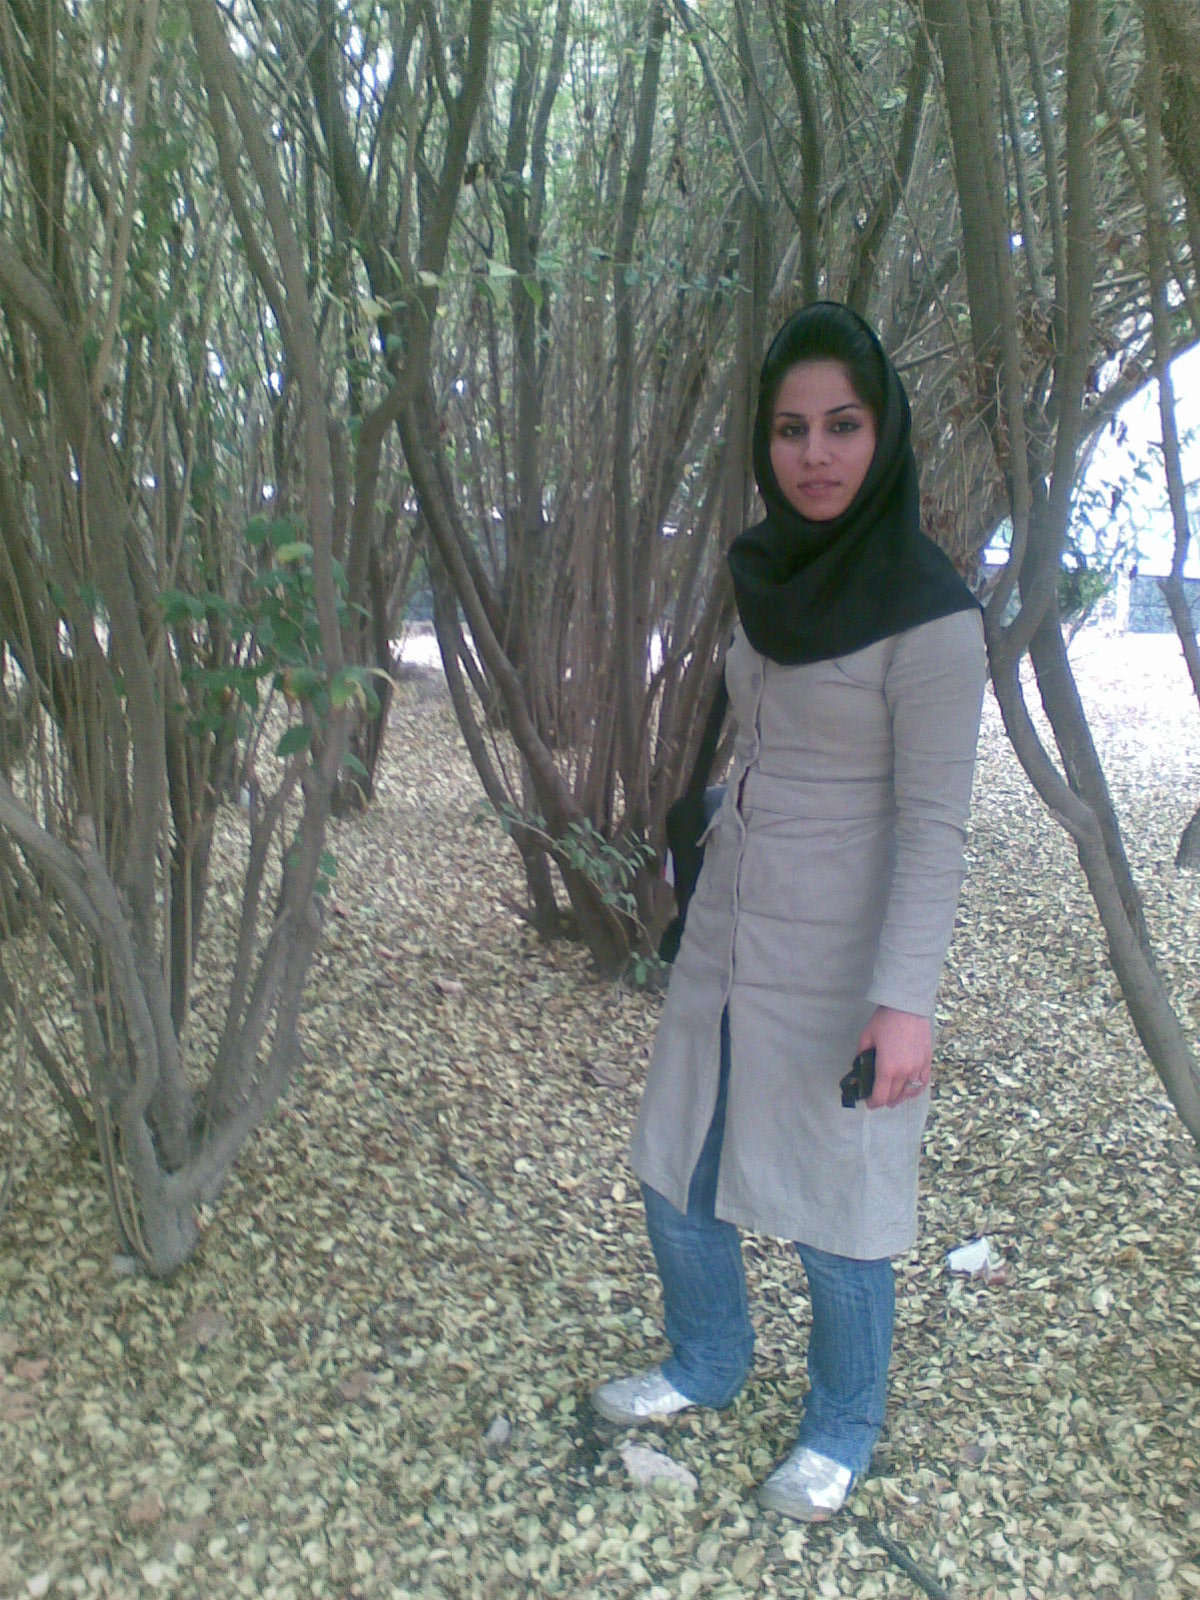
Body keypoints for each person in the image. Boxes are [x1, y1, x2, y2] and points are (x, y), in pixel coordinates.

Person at [593, 302, 986, 1521]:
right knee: (677, 1163)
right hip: (728, 929)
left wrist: (905, 1003)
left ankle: (842, 1422)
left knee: (838, 1202)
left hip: (843, 957)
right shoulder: (769, 573)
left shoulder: (932, 615)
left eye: (843, 425)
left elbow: (935, 825)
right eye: (791, 429)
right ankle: (708, 1358)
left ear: (885, 434)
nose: (815, 453)